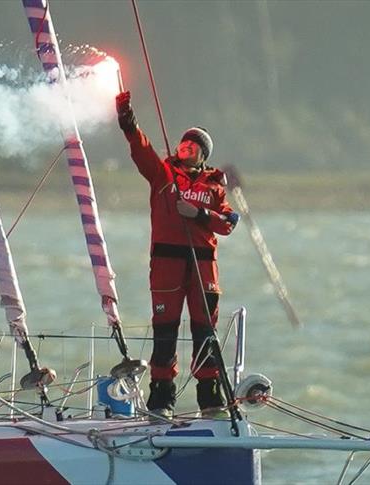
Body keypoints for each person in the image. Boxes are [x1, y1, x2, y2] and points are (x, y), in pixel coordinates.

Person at [115, 90, 240, 419]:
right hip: (167, 265)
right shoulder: (162, 175)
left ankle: (210, 399)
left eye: (193, 147)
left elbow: (227, 223)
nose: (186, 149)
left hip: (203, 267)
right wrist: (129, 123)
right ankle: (162, 400)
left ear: (203, 154)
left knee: (204, 331)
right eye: (183, 144)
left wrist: (197, 213)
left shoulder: (215, 187)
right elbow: (142, 152)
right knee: (165, 330)